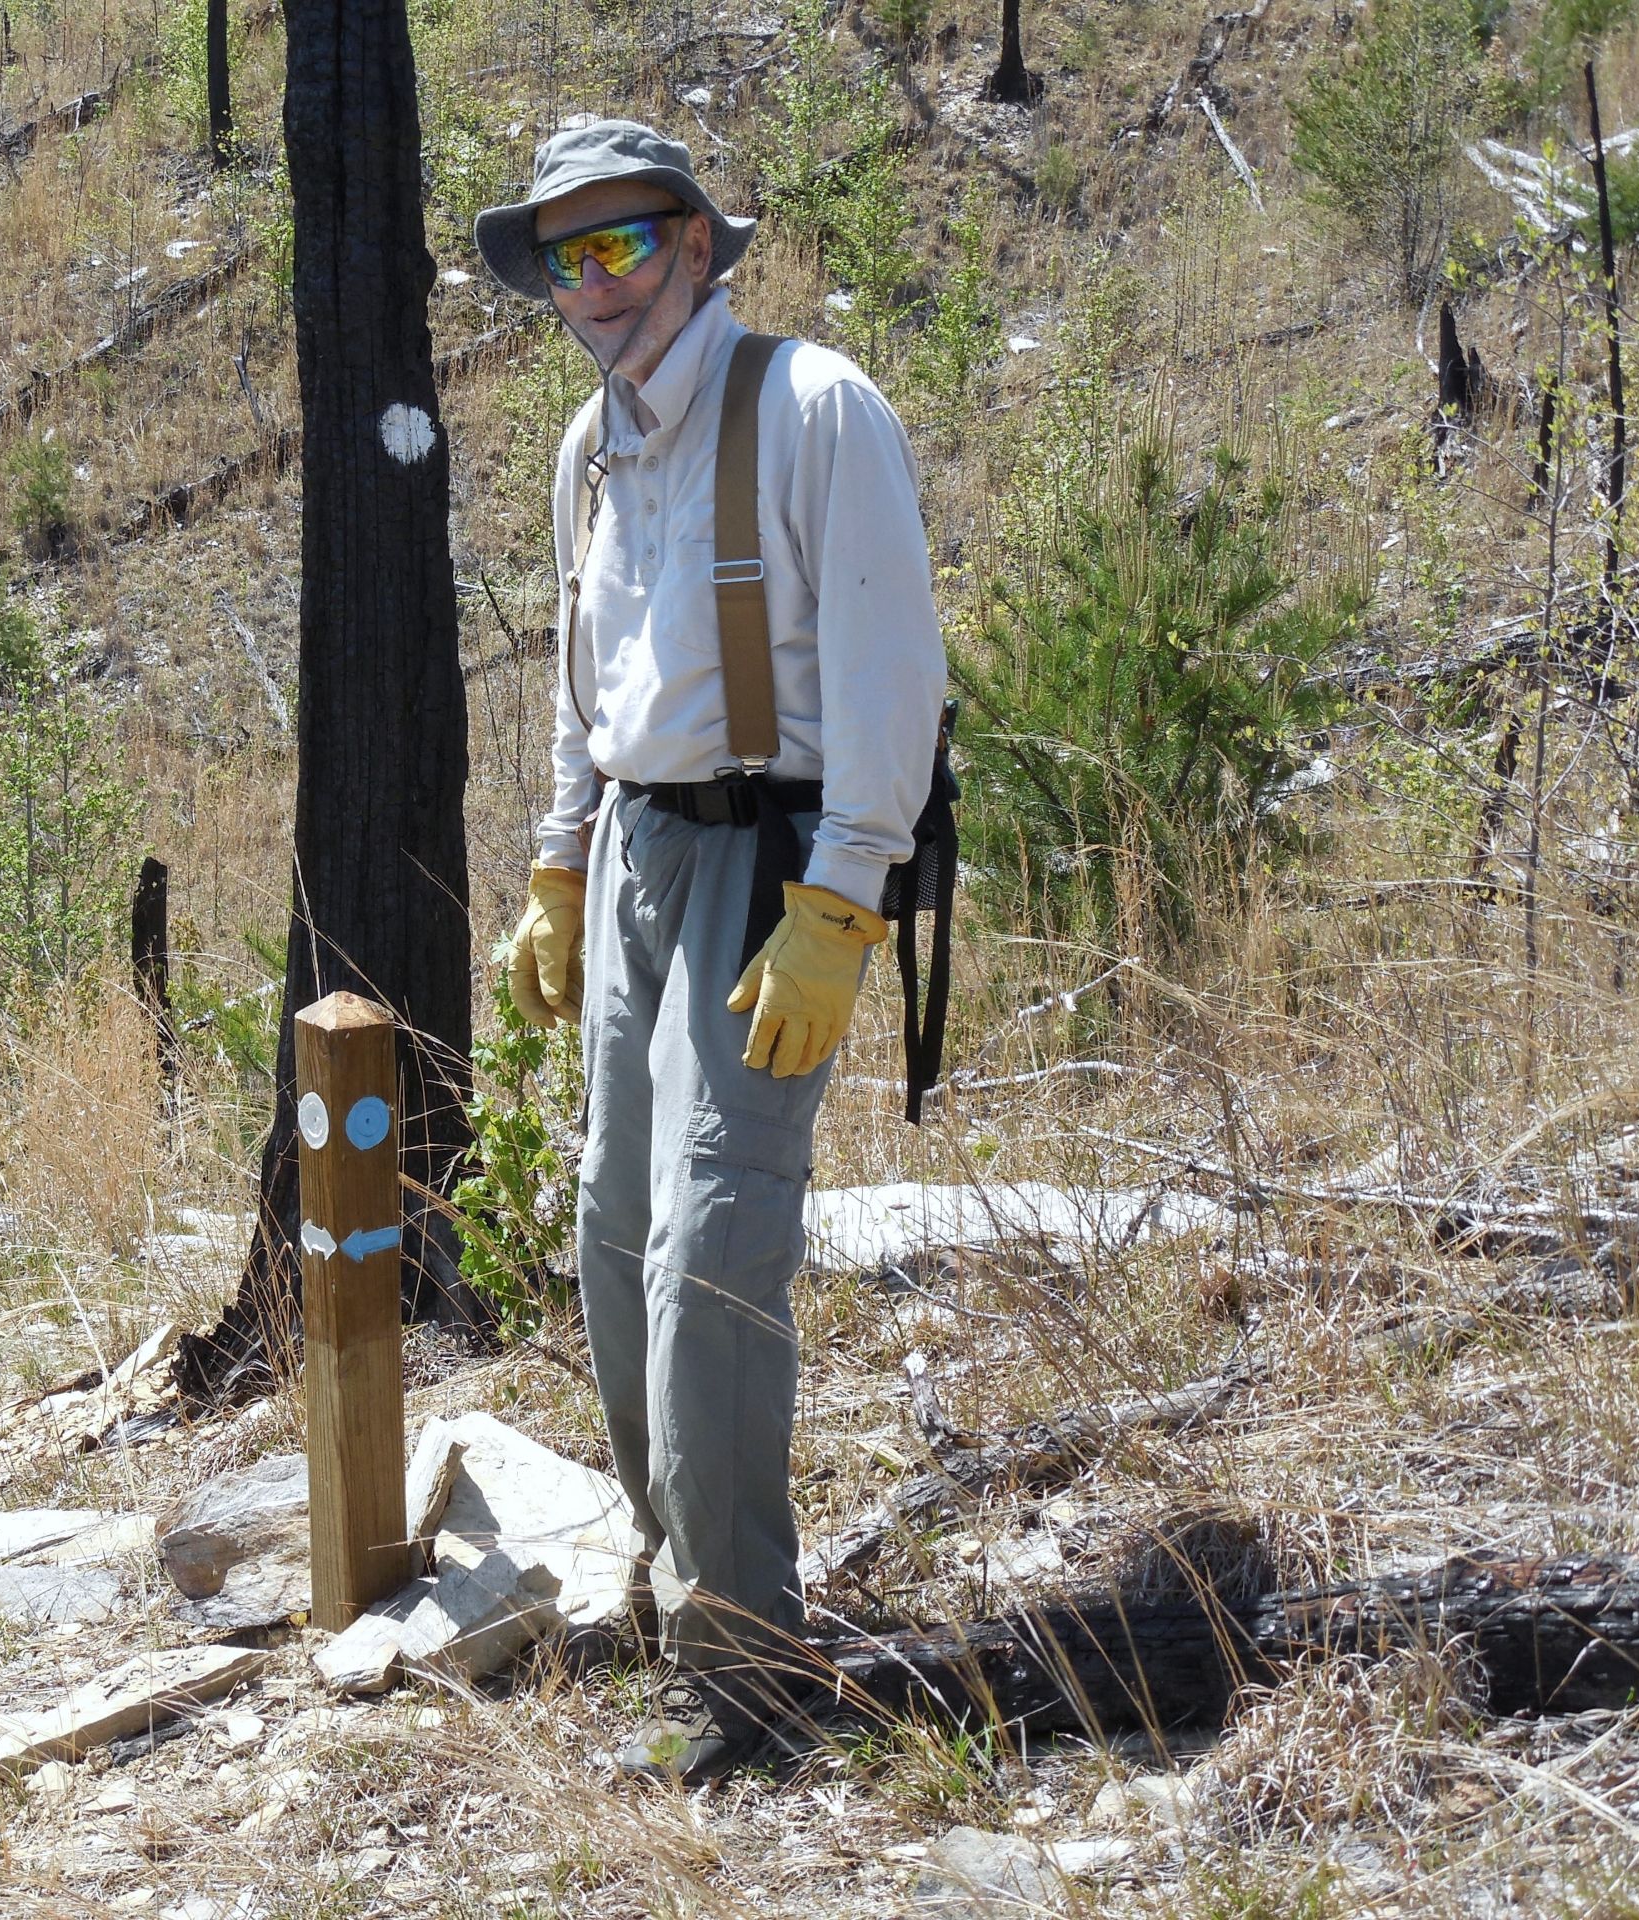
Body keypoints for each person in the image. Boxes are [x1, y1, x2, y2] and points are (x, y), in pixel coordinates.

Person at [473, 121, 948, 1783]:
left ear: (696, 246)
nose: (594, 283)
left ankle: (750, 1669)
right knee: (614, 1241)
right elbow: (580, 680)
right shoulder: (585, 449)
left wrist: (845, 900)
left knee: (712, 1262)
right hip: (633, 863)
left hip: (777, 866)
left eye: (625, 244)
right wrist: (553, 859)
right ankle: (676, 1568)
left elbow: (897, 670)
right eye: (565, 255)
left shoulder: (817, 410)